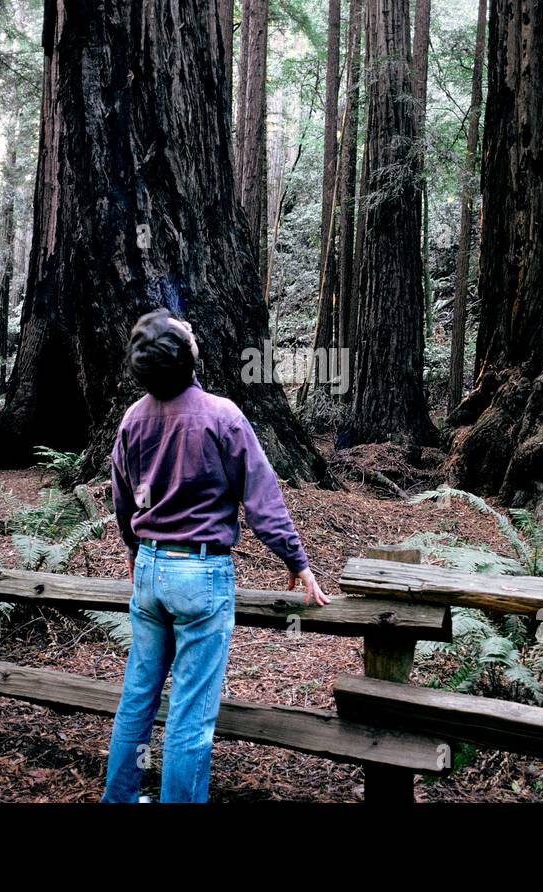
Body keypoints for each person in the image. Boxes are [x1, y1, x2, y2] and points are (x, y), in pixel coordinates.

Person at [100, 307, 329, 803]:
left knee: (137, 700)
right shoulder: (223, 416)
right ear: (185, 357)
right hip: (200, 574)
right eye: (186, 332)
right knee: (190, 711)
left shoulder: (131, 421)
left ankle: (118, 798)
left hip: (151, 570)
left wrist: (138, 552)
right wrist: (297, 561)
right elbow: (261, 497)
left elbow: (122, 501)